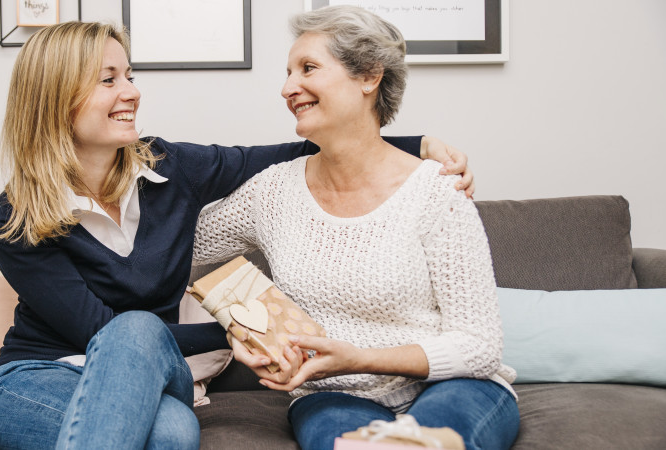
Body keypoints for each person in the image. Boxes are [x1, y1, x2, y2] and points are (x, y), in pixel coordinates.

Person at [0, 20, 473, 450]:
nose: (131, 92)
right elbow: (98, 332)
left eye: (129, 75)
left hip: (155, 372)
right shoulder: (14, 217)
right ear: (56, 97)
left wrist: (417, 145)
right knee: (167, 425)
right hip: (39, 378)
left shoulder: (169, 167)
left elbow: (283, 155)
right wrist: (240, 333)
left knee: (148, 355)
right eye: (109, 80)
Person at [192, 6, 519, 450]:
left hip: (454, 386)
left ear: (369, 76)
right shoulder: (271, 192)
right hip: (331, 396)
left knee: (422, 444)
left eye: (308, 68)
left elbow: (479, 346)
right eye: (288, 73)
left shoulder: (436, 190)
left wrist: (361, 358)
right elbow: (176, 248)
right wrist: (242, 328)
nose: (287, 88)